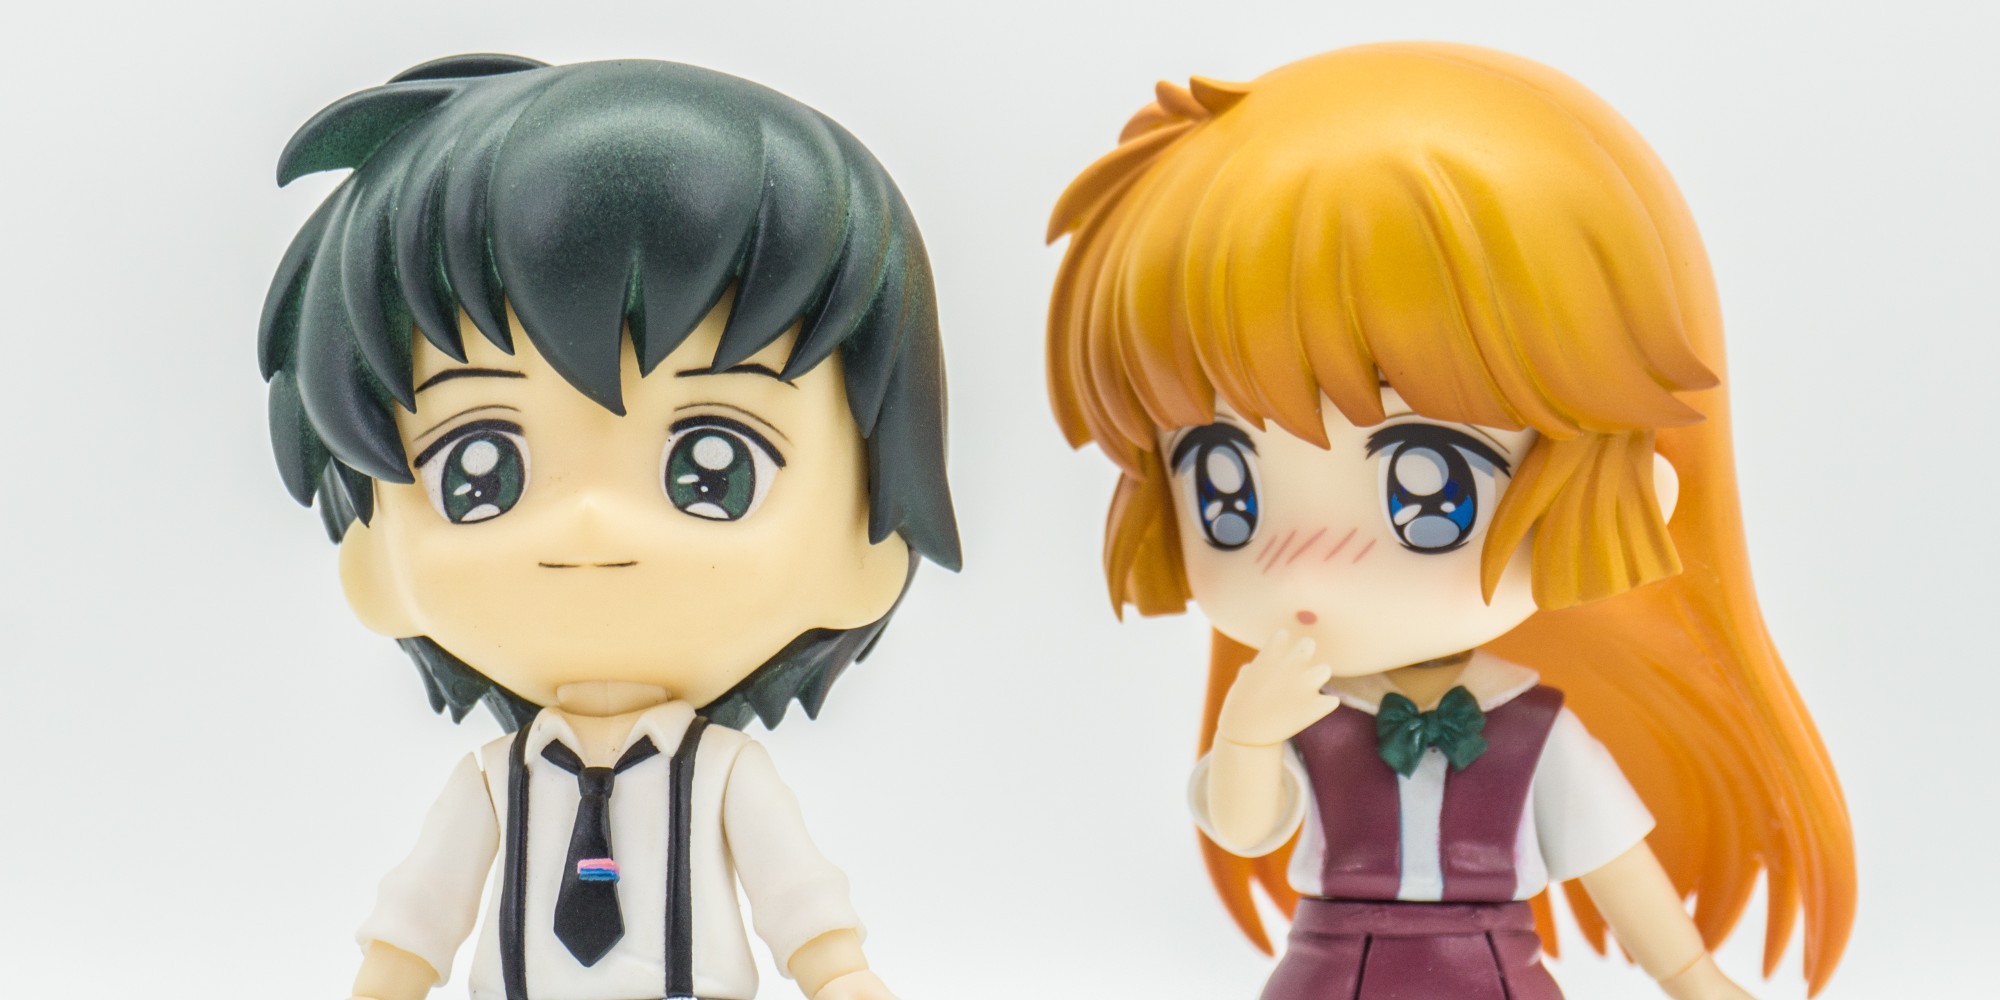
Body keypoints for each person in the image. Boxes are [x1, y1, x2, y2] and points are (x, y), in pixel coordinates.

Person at [1043, 42, 1853, 999]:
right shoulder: (1305, 716)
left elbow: (1619, 872)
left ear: (1627, 492)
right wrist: (1250, 737)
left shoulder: (1537, 731)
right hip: (1330, 972)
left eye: (1426, 486)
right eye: (1227, 485)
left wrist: (1694, 977)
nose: (1308, 560)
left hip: (1494, 973)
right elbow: (1244, 825)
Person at [258, 53, 959, 1000]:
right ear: (374, 564)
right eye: (479, 471)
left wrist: (841, 976)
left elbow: (799, 903)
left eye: (713, 468)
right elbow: (422, 915)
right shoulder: (496, 784)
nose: (589, 519)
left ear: (865, 549)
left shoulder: (722, 777)